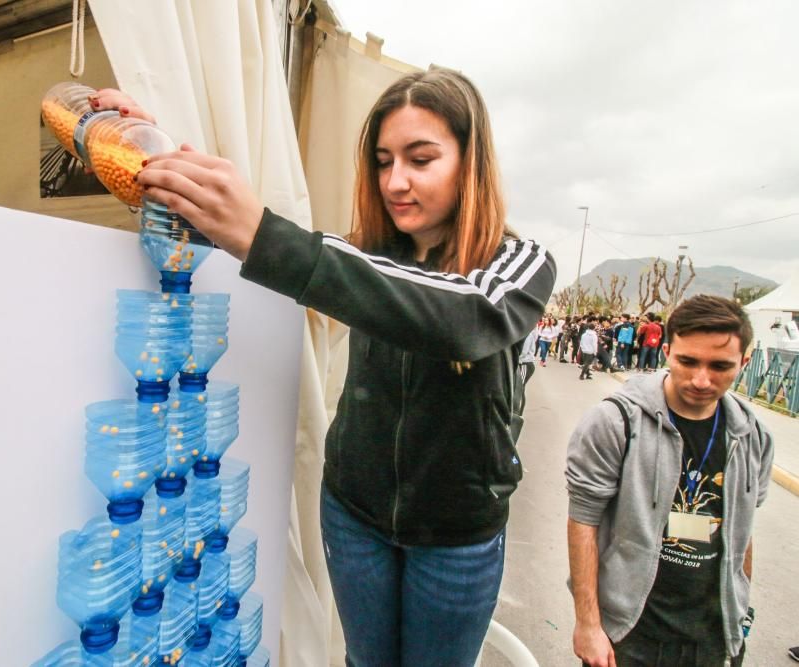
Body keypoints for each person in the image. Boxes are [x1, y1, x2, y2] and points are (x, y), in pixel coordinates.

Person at [93, 68, 556, 665]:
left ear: (471, 162)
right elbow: (247, 239)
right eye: (384, 161)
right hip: (354, 515)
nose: (396, 181)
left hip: (456, 536)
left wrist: (269, 236)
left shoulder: (520, 262)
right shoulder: (363, 253)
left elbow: (462, 319)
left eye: (421, 159)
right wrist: (145, 144)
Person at [565, 295, 774, 667]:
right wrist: (588, 624)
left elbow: (743, 531)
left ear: (744, 363)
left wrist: (740, 610)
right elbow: (583, 521)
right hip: (630, 633)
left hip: (712, 636)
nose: (701, 379)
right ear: (665, 351)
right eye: (687, 361)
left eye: (720, 366)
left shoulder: (752, 435)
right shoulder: (615, 423)